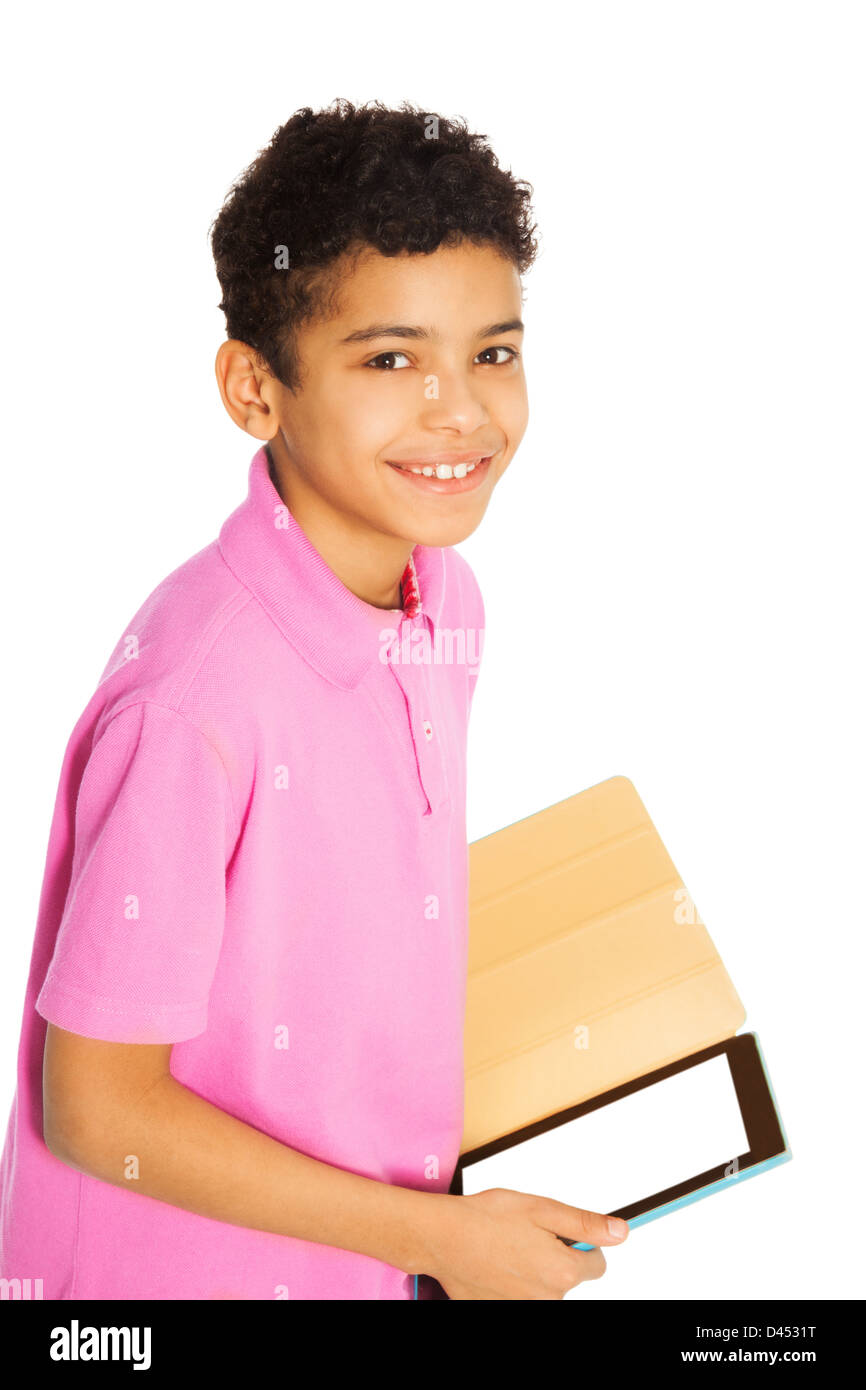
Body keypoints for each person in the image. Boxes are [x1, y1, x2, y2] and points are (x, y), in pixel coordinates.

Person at [0, 98, 628, 1300]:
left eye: (489, 351)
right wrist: (440, 1239)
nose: (459, 409)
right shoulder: (198, 699)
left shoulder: (443, 597)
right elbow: (94, 1108)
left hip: (365, 1264)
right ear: (254, 389)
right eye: (391, 359)